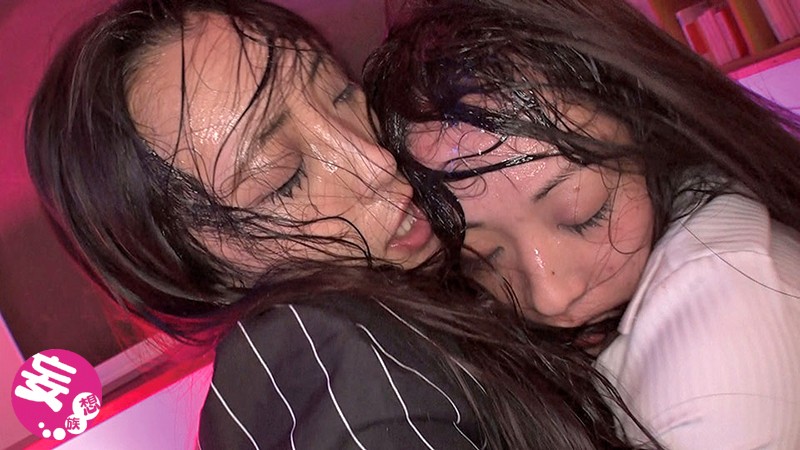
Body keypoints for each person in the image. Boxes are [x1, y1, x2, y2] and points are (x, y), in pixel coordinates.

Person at [24, 0, 652, 448]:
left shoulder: (430, 297)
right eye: (282, 177)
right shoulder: (315, 349)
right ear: (203, 276)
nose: (377, 161)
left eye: (344, 96)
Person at [364, 0, 800, 448]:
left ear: (650, 127)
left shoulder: (717, 380)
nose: (552, 297)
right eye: (483, 257)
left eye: (583, 214)